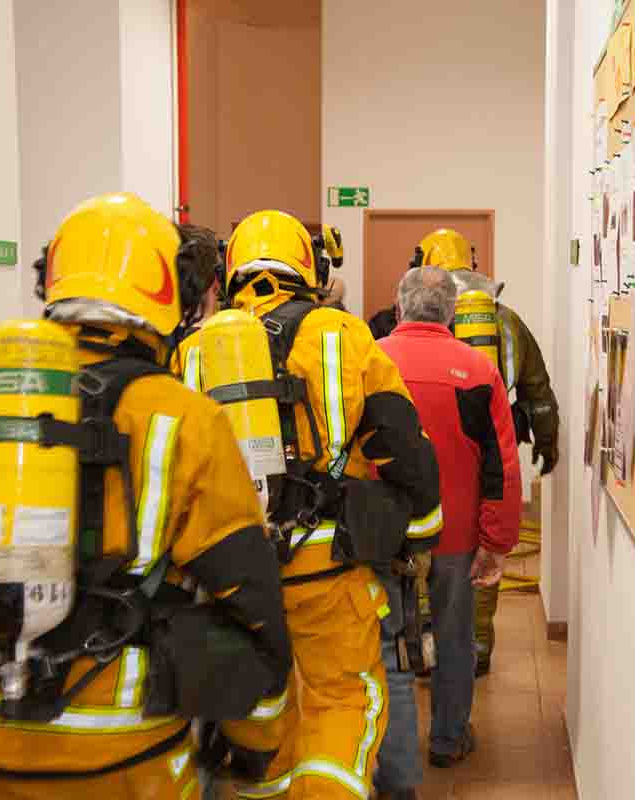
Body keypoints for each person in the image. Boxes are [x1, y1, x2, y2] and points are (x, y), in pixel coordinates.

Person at [0, 193, 291, 798]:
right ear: (173, 295)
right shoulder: (188, 423)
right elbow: (252, 601)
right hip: (126, 758)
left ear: (52, 282)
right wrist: (253, 741)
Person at [182, 210, 443, 800]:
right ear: (311, 266)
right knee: (341, 700)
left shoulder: (197, 349)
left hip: (231, 573)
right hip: (326, 565)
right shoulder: (341, 334)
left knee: (261, 714)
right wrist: (421, 534)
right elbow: (403, 445)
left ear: (231, 270)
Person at [368, 228, 559, 676]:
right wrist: (548, 443)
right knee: (477, 558)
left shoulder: (396, 335)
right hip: (480, 461)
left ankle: (422, 643)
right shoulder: (505, 322)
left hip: (413, 464)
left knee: (420, 555)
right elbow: (538, 390)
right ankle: (477, 645)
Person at [375, 268, 521, 787]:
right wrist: (497, 541)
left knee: (388, 641)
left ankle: (394, 762)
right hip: (456, 535)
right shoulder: (479, 370)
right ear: (453, 314)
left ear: (399, 308)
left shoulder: (370, 360)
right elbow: (501, 466)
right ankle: (447, 739)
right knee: (455, 637)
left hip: (384, 530)